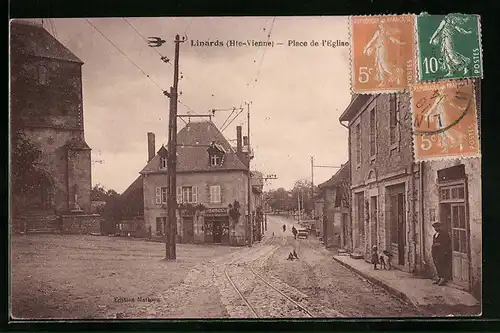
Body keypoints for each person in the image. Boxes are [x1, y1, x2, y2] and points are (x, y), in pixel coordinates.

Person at [431, 221, 452, 286]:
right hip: (435, 252)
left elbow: (447, 243)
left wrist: (440, 245)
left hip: (442, 252)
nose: (436, 229)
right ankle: (439, 277)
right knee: (437, 264)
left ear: (440, 227)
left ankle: (443, 279)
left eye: (437, 227)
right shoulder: (435, 235)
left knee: (442, 264)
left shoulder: (444, 234)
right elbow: (434, 243)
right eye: (435, 227)